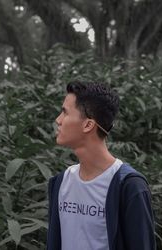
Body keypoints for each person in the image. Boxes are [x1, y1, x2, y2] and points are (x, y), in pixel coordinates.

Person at [47, 81, 156, 250]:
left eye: (65, 113)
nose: (58, 120)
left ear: (88, 125)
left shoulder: (129, 186)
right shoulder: (62, 182)